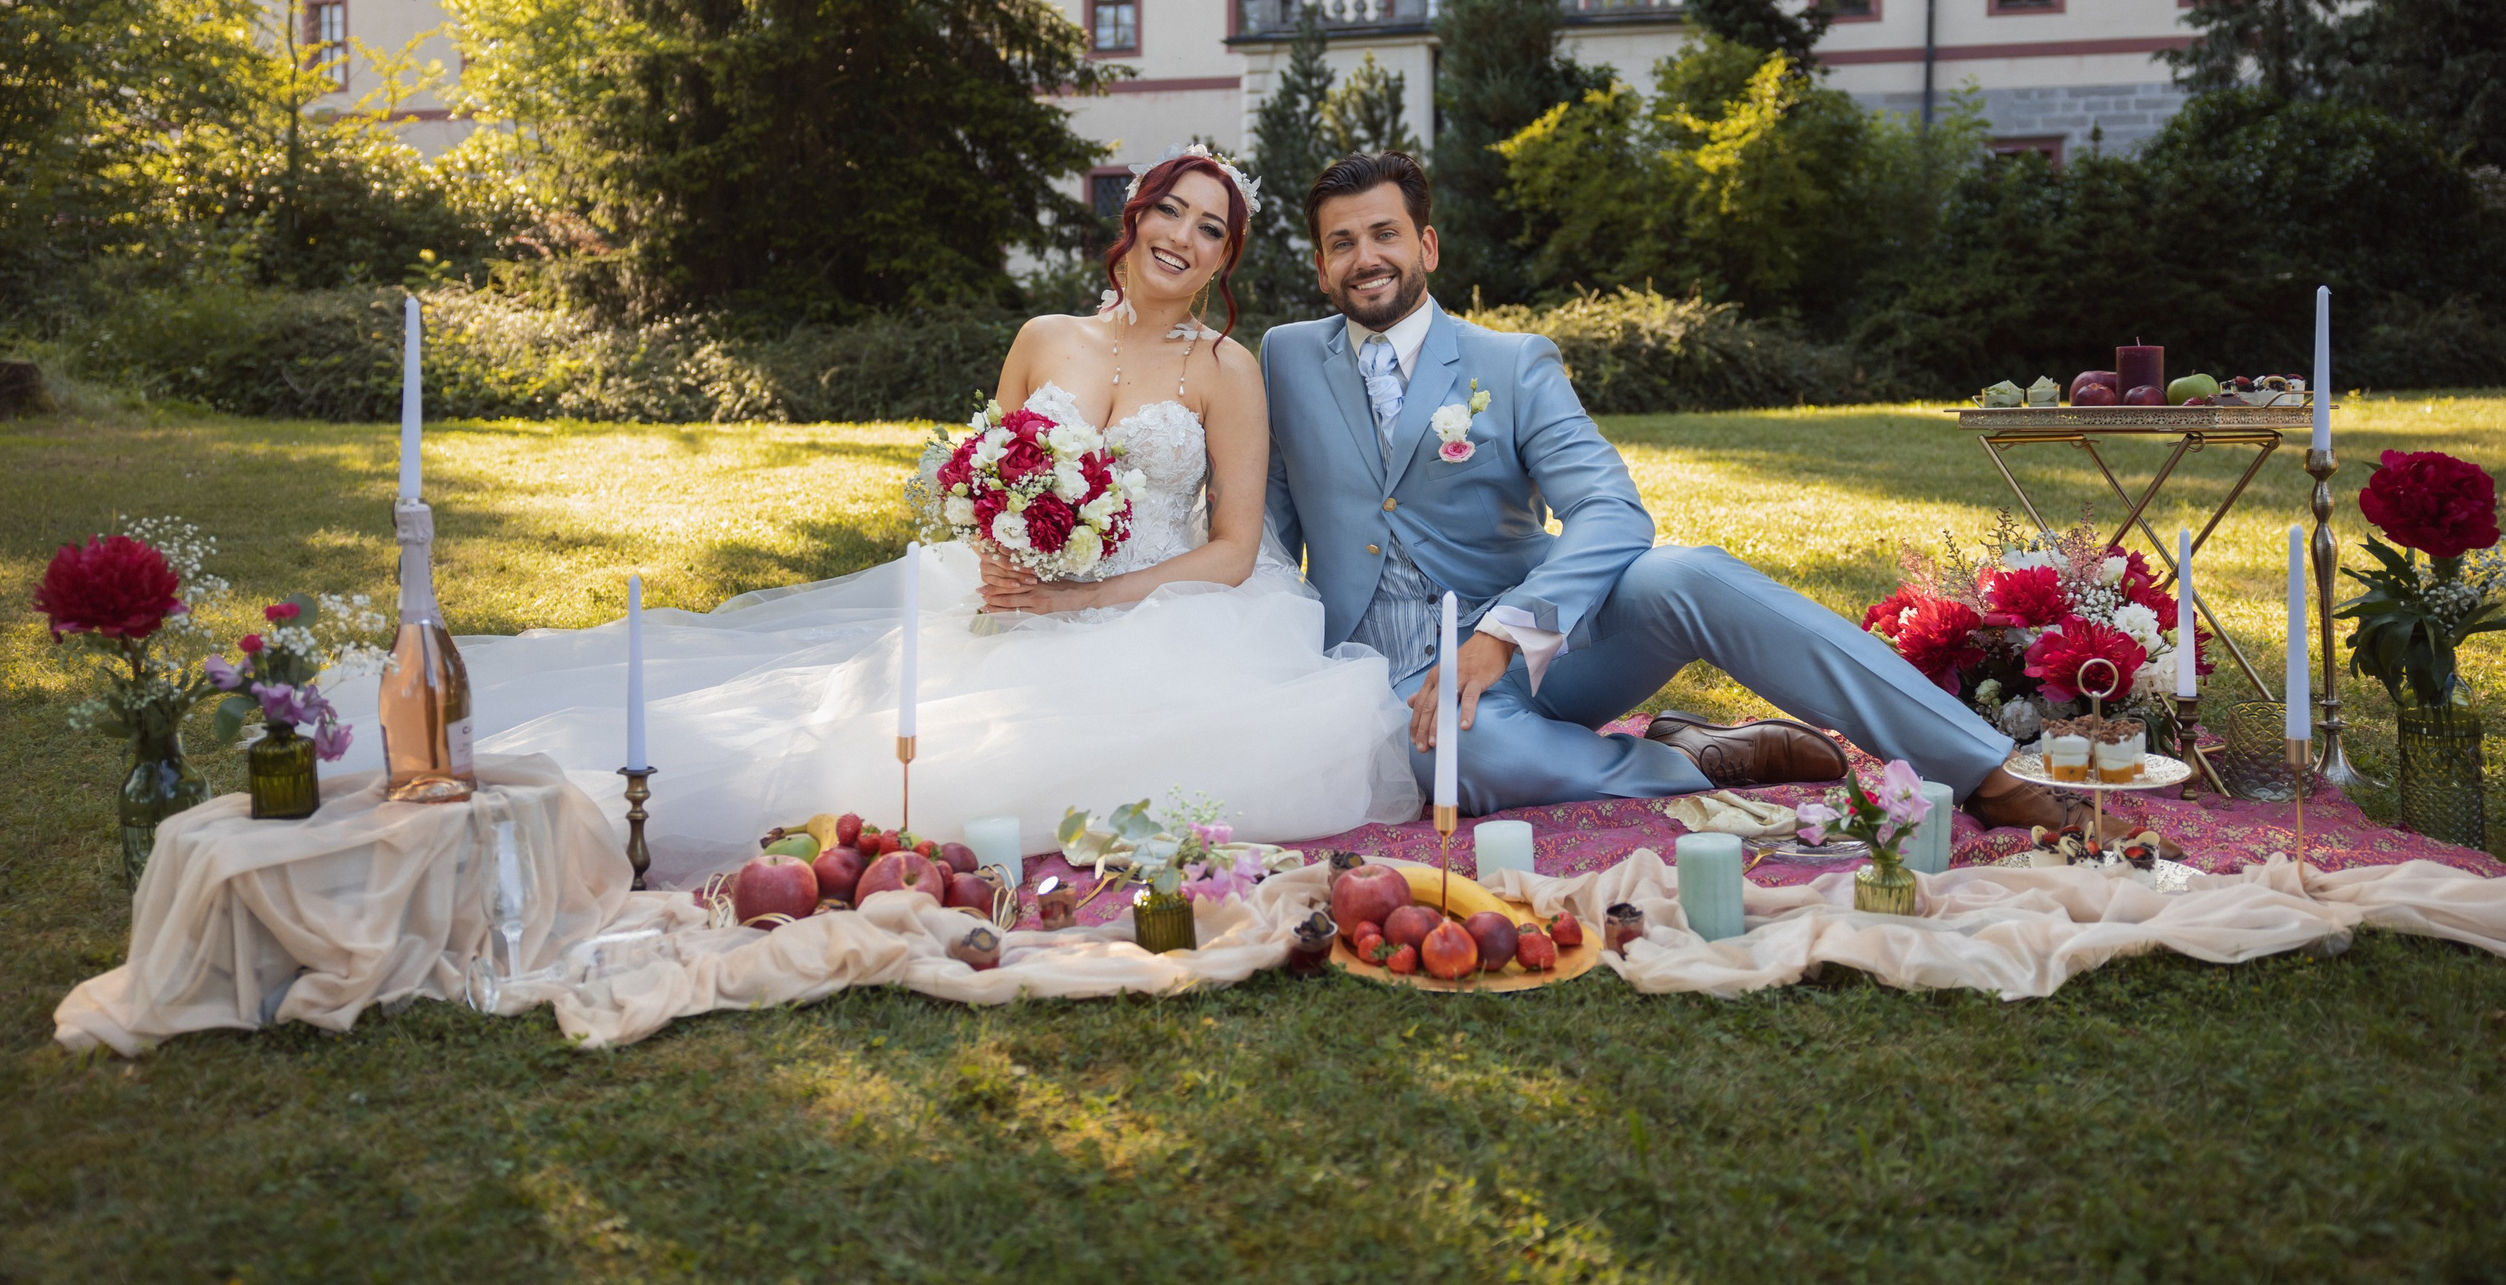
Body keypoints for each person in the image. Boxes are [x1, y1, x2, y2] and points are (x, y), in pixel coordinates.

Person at [335, 146, 1420, 881]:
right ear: (1133, 220)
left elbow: (1233, 549)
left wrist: (1087, 589)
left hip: (1159, 607)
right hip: (1013, 596)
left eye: (1211, 227)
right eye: (1167, 209)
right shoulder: (1046, 336)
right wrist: (1004, 560)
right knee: (840, 735)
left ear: (1228, 257)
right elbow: (987, 477)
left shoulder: (1225, 368)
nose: (1181, 235)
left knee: (1002, 770)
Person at [1259, 151, 2064, 831]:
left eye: (1384, 233)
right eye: (1342, 242)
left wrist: (1505, 632)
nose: (1365, 256)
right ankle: (1694, 759)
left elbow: (1611, 510)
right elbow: (1265, 534)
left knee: (1689, 574)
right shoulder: (1283, 359)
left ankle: (1984, 769)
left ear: (1427, 246)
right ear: (1321, 264)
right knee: (1454, 758)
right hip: (1378, 678)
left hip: (1535, 651)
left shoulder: (1508, 362)